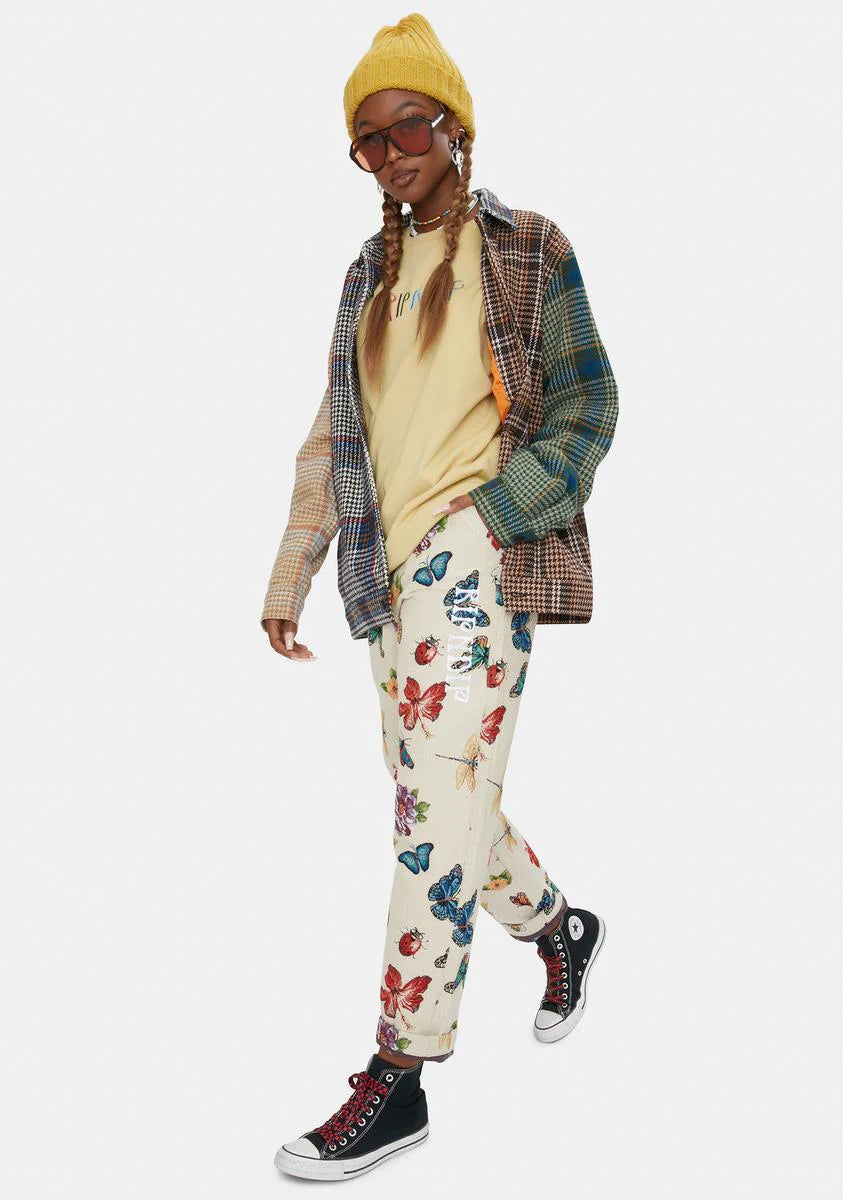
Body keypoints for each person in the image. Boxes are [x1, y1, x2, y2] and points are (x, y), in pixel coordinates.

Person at [262, 13, 619, 1181]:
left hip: (477, 563)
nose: (389, 154)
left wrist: (494, 515)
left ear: (454, 126)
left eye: (407, 127)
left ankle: (400, 1073)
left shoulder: (528, 248)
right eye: (366, 141)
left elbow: (590, 405)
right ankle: (562, 927)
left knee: (430, 820)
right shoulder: (366, 277)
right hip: (384, 575)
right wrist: (291, 571)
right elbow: (336, 435)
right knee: (445, 800)